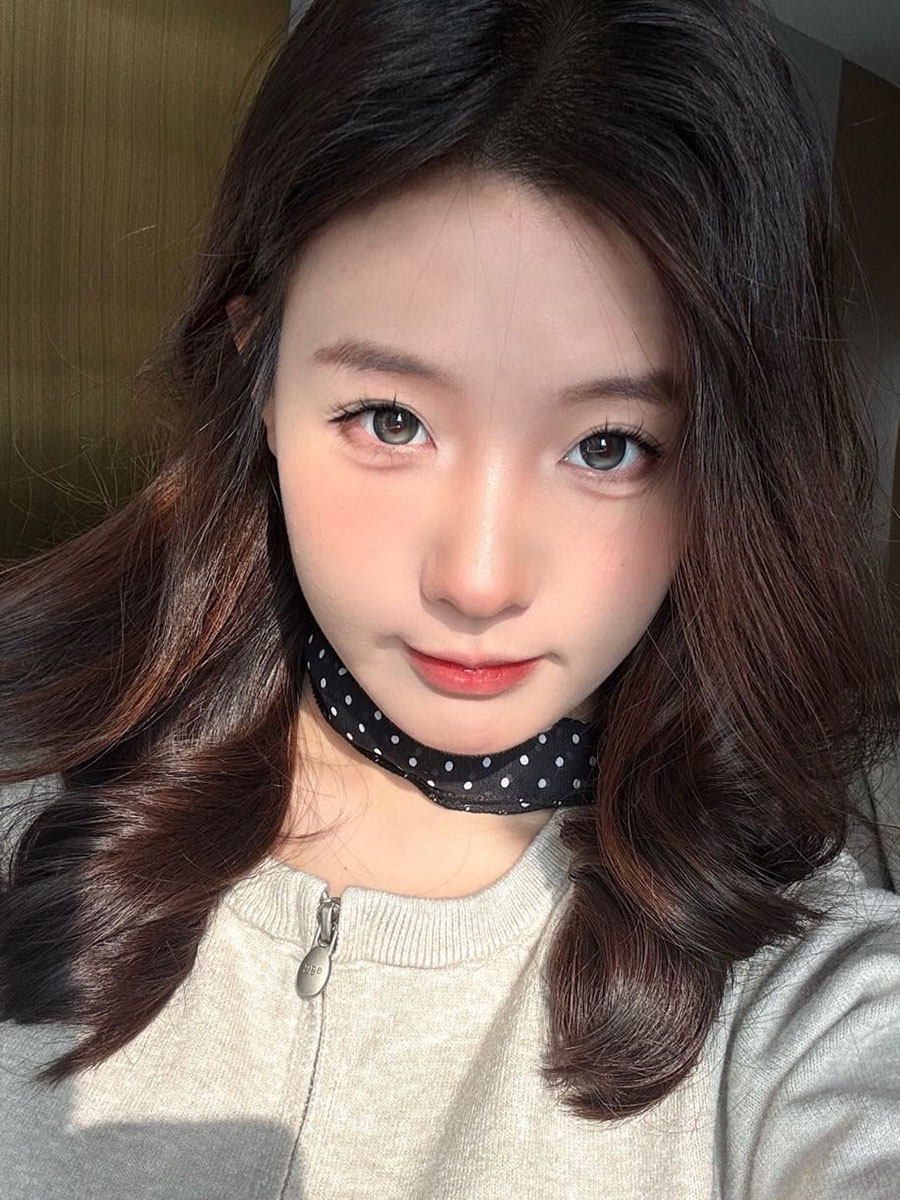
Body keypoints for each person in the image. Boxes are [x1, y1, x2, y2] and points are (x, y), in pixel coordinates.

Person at [0, 0, 898, 1196]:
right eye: (390, 420)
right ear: (261, 377)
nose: (478, 581)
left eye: (611, 446)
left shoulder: (801, 998)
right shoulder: (26, 799)